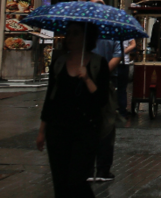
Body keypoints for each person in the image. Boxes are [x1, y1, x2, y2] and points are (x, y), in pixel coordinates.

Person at [37, 22, 109, 198]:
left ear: (86, 37)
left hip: (85, 131)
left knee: (76, 181)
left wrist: (87, 79)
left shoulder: (98, 64)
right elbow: (50, 98)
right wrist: (42, 131)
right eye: (68, 33)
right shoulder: (59, 62)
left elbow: (101, 100)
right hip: (58, 130)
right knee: (60, 183)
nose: (70, 37)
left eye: (75, 33)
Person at [90, 37, 121, 182]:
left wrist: (98, 71)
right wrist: (103, 71)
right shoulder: (112, 33)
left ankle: (94, 168)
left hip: (95, 79)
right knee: (106, 124)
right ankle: (102, 169)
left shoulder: (85, 32)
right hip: (105, 79)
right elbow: (117, 56)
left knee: (97, 123)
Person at [117, 38, 135, 118]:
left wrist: (123, 51)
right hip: (113, 61)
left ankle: (122, 111)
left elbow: (133, 44)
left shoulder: (126, 31)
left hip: (124, 63)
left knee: (122, 88)